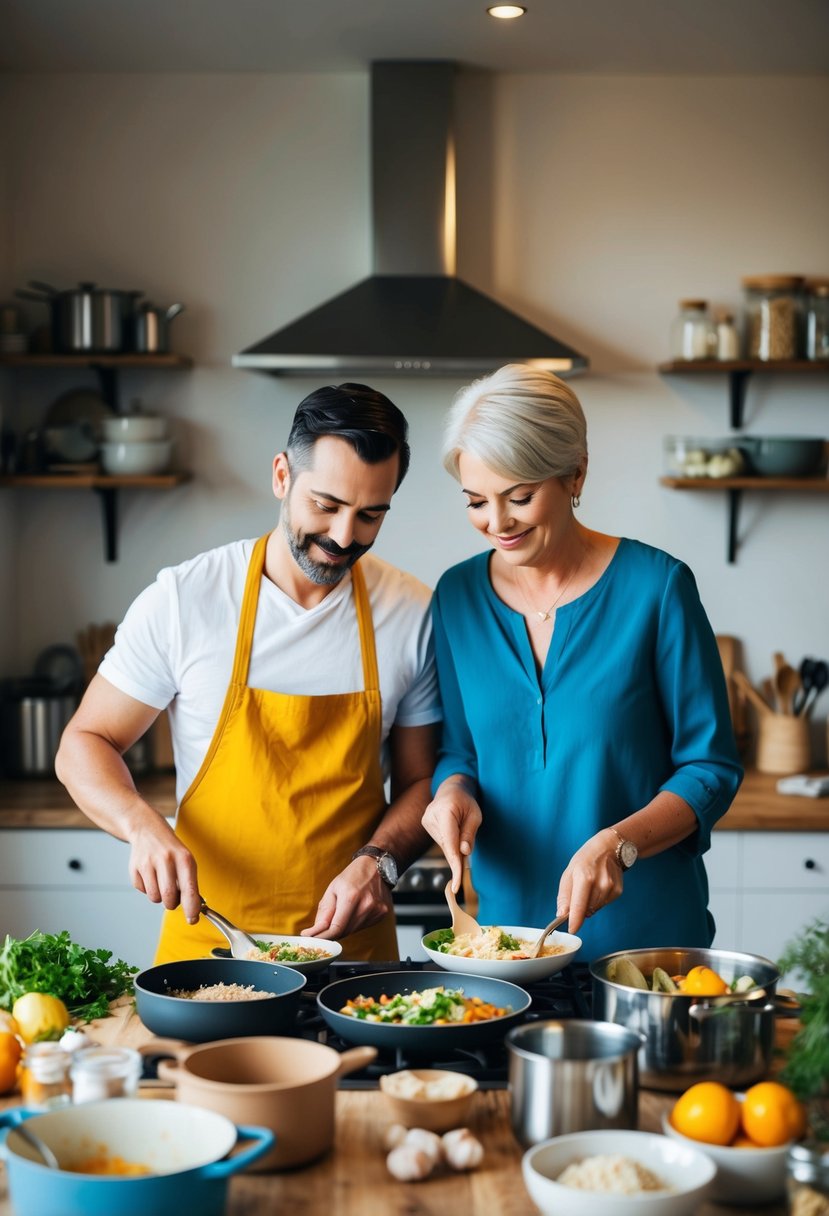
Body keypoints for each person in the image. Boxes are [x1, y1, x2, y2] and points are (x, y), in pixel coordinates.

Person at [56, 383, 440, 963]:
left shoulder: (411, 611)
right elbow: (84, 743)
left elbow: (420, 782)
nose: (343, 536)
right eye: (326, 505)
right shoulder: (188, 599)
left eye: (370, 515)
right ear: (282, 476)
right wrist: (141, 824)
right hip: (211, 949)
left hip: (352, 963)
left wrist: (380, 865)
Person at [421, 363, 742, 960]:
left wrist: (618, 843)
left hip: (645, 948)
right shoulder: (457, 598)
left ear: (575, 473)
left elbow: (709, 768)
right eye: (475, 502)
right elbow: (459, 751)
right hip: (508, 948)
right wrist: (451, 795)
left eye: (520, 497)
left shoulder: (658, 589)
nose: (497, 524)